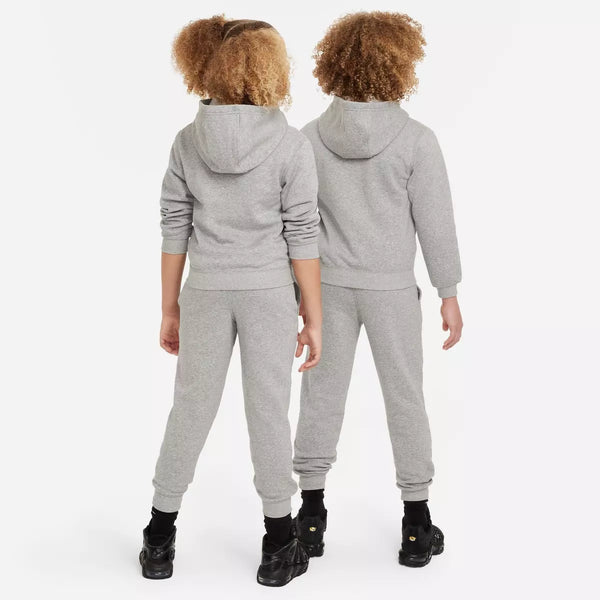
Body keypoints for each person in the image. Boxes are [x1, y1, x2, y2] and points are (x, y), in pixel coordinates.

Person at [139, 16, 322, 587]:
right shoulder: (291, 144)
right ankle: (280, 542)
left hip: (205, 290)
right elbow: (303, 235)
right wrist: (314, 316)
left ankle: (158, 536)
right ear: (270, 68)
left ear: (204, 65)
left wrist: (169, 307)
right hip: (269, 293)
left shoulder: (187, 141)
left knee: (189, 408)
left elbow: (174, 226)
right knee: (268, 411)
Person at [292, 11, 463, 568]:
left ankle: (309, 518)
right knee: (406, 399)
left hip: (327, 288)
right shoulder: (416, 141)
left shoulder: (308, 139)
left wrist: (295, 296)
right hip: (391, 290)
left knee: (320, 397)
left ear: (333, 62)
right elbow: (435, 222)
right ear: (401, 64)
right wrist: (448, 290)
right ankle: (416, 524)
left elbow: (294, 224)